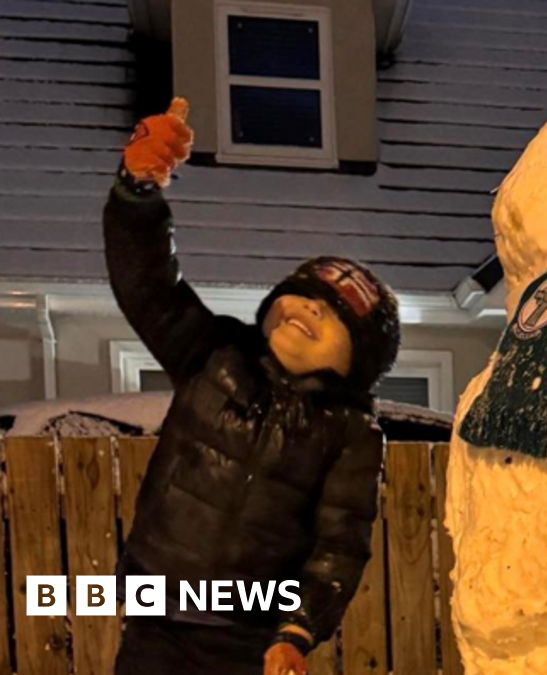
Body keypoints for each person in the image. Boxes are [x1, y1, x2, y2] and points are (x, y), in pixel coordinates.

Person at [107, 99, 399, 675]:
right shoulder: (214, 355)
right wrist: (136, 194)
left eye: (334, 313)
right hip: (156, 612)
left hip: (250, 635)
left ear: (357, 359)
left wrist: (298, 628)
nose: (309, 311)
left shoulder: (349, 432)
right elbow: (149, 284)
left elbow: (338, 544)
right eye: (304, 294)